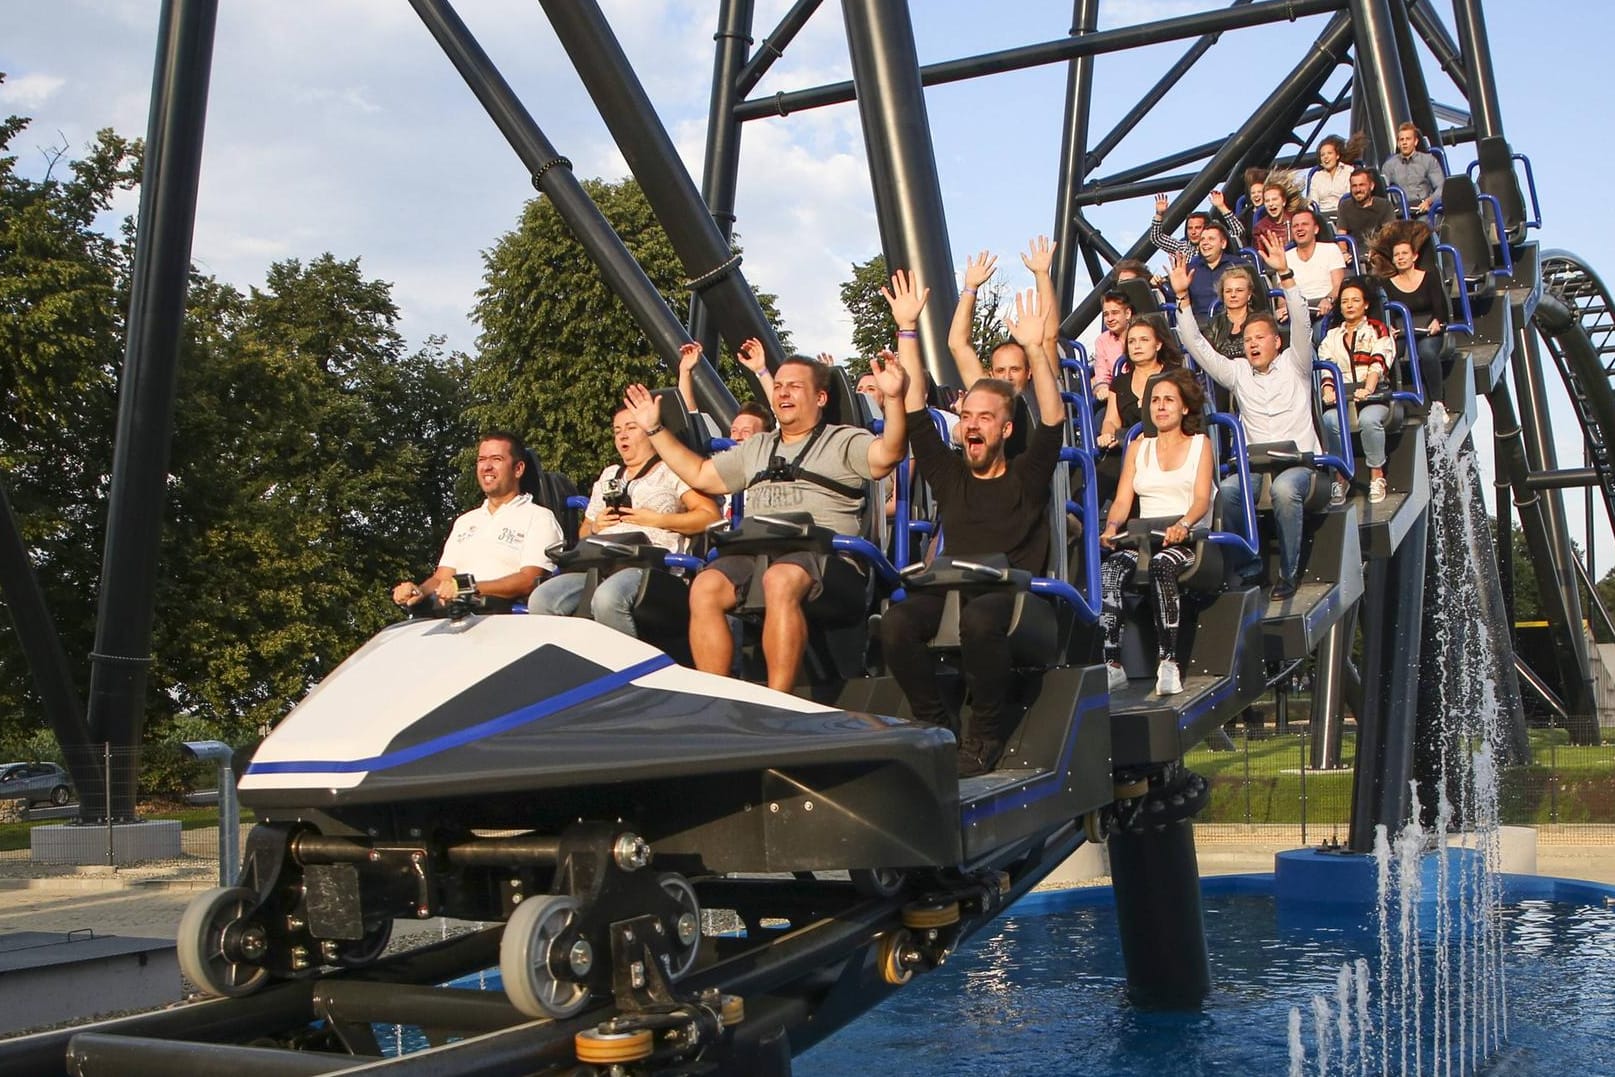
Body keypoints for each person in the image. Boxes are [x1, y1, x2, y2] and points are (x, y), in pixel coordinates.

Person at [622, 352, 909, 691]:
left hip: (828, 560)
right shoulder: (757, 446)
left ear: (820, 398)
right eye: (780, 386)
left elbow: (889, 454)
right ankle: (718, 698)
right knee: (705, 587)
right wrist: (654, 429)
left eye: (795, 387)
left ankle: (777, 700)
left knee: (780, 578)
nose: (784, 393)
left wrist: (894, 400)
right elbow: (700, 474)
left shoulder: (843, 439)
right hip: (755, 555)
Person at [879, 273, 1067, 776]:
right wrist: (907, 330)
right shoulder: (949, 472)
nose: (973, 425)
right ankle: (934, 724)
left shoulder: (1028, 473)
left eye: (985, 418)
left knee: (981, 620)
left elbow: (1052, 418)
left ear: (1005, 429)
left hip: (1014, 593)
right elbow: (916, 408)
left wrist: (1036, 349)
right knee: (896, 623)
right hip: (953, 586)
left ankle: (984, 736)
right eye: (968, 417)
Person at [1170, 235, 1319, 600]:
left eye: (1260, 338)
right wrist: (1183, 299)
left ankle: (1288, 570)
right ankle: (1249, 563)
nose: (1252, 344)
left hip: (1300, 464)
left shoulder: (1295, 363)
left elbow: (1301, 321)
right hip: (1257, 465)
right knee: (1232, 490)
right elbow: (1199, 347)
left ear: (1276, 342)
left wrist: (1285, 275)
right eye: (1248, 339)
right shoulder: (1238, 372)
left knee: (1284, 491)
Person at [528, 396, 721, 635]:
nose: (622, 435)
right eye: (617, 430)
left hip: (651, 566)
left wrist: (658, 520)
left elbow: (710, 516)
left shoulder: (671, 469)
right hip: (601, 565)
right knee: (541, 599)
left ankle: (630, 667)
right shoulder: (609, 474)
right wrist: (596, 526)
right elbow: (583, 533)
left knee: (608, 597)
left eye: (631, 428)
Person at [1097, 368, 1214, 697]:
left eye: (1169, 401)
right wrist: (1111, 527)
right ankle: (1112, 663)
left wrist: (1184, 524)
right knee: (1111, 569)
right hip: (1145, 537)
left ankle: (1169, 662)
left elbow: (1202, 498)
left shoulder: (1200, 445)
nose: (1161, 407)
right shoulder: (1137, 448)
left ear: (1185, 408)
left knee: (1163, 565)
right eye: (1156, 401)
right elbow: (1122, 500)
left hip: (1187, 537)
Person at [392, 431, 563, 612]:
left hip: (503, 619)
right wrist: (418, 591)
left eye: (496, 459)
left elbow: (529, 581)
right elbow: (442, 577)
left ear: (518, 469)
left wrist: (467, 587)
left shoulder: (539, 518)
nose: (486, 467)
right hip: (454, 617)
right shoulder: (465, 522)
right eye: (482, 459)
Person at [948, 237, 1061, 399]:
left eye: (1015, 369)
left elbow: (1050, 337)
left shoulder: (1042, 390)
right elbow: (958, 344)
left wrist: (1042, 275)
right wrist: (970, 289)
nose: (1007, 377)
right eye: (1000, 370)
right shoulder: (988, 396)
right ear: (991, 374)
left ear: (1029, 372)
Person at [1317, 279, 1395, 505]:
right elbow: (1326, 365)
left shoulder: (1376, 329)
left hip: (1374, 394)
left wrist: (1368, 388)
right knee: (1330, 419)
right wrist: (1328, 389)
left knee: (1369, 420)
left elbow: (1379, 361)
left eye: (1355, 301)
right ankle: (1341, 477)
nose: (1350, 305)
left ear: (1366, 304)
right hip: (1343, 399)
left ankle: (1377, 474)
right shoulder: (1332, 336)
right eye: (1345, 301)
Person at [1095, 315, 1185, 501]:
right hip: (1129, 445)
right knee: (1103, 468)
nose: (1136, 346)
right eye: (1132, 341)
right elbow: (1111, 419)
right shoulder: (1119, 383)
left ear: (1158, 345)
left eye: (1144, 340)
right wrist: (1107, 434)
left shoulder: (1175, 376)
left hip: (1168, 442)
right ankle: (1076, 519)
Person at [1374, 219, 1449, 404]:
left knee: (1427, 353)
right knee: (1387, 353)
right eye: (1397, 255)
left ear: (1414, 256)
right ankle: (1390, 402)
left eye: (1404, 254)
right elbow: (1386, 313)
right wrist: (1389, 328)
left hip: (1427, 328)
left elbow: (1440, 308)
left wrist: (1436, 322)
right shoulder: (1386, 284)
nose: (1400, 257)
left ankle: (1438, 403)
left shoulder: (1430, 277)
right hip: (1401, 331)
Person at [677, 336, 778, 441]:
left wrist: (761, 370)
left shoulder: (772, 453)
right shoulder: (721, 455)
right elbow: (690, 418)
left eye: (746, 432)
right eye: (734, 431)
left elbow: (781, 410)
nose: (737, 437)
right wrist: (685, 371)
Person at [1287, 208, 1346, 324]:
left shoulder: (1331, 249)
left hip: (1326, 306)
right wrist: (1283, 307)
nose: (1299, 229)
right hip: (1297, 309)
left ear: (1316, 229)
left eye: (1304, 224)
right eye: (1295, 226)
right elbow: (1282, 296)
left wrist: (1328, 300)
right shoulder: (1286, 257)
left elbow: (1338, 286)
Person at [1147, 190, 1247, 258]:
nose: (1193, 232)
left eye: (1198, 228)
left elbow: (1238, 231)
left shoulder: (1217, 243)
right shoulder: (1182, 248)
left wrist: (1221, 206)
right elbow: (1156, 238)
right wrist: (1159, 214)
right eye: (1190, 228)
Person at [1181, 218, 1239, 325]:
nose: (1205, 243)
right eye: (1202, 239)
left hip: (1232, 322)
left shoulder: (1239, 265)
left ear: (1223, 243)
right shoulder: (1190, 269)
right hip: (1199, 326)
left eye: (1211, 239)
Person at [1382, 122, 1445, 216]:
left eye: (1408, 139)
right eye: (1401, 140)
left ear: (1415, 142)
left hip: (1424, 209)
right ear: (1398, 143)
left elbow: (1441, 187)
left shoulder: (1428, 160)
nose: (1404, 142)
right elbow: (1383, 191)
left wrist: (1429, 202)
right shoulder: (1389, 165)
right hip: (1400, 212)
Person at [1205, 265, 1262, 361]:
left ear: (1249, 294)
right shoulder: (1214, 324)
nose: (1233, 295)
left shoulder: (1260, 322)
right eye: (1228, 291)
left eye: (1239, 290)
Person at [1334, 167, 1396, 248]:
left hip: (1379, 251)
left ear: (1372, 186)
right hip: (1354, 253)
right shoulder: (1344, 206)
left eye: (1362, 185)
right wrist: (1344, 252)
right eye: (1354, 186)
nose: (1358, 189)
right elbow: (1342, 237)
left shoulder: (1385, 205)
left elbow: (1389, 235)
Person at [1091, 290, 1133, 402]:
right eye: (1106, 314)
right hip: (1117, 396)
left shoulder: (1141, 333)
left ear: (1127, 313)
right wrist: (1103, 388)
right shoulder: (1102, 341)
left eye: (1115, 313)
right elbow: (1101, 375)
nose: (1110, 319)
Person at [1307, 134, 1354, 217]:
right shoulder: (1317, 176)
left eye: (1329, 153)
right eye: (1322, 155)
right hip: (1323, 216)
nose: (1326, 157)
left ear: (1337, 155)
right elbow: (1313, 201)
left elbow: (1350, 197)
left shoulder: (1348, 171)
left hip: (1345, 214)